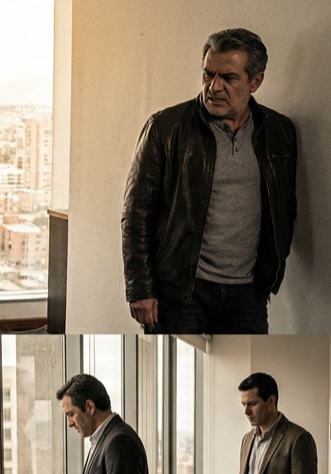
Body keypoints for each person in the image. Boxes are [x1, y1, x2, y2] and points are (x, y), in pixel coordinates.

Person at [121, 28, 297, 334]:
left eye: (228, 78)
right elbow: (135, 214)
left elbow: (285, 209)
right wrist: (140, 288)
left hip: (247, 294)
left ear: (255, 81)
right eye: (208, 75)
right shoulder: (166, 129)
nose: (213, 87)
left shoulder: (278, 133)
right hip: (181, 292)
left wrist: (269, 277)